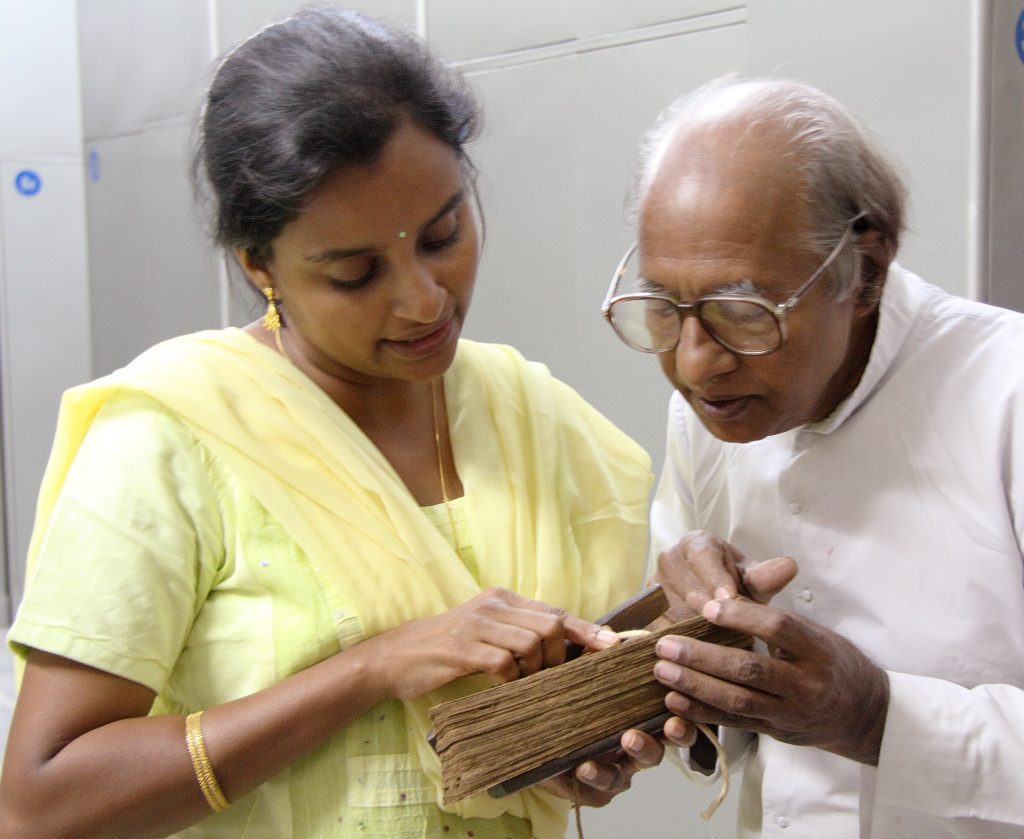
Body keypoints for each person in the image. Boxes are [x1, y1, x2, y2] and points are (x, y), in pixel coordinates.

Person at [0, 9, 664, 838]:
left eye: (443, 234)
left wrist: (568, 742)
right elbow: (40, 801)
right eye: (355, 273)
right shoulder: (173, 437)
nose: (425, 298)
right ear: (259, 263)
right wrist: (371, 667)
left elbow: (516, 730)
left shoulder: (531, 417)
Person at [600, 76, 1024, 837]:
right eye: (664, 307)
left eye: (743, 312)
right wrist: (675, 669)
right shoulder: (708, 417)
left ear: (864, 268)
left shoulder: (1008, 398)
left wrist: (873, 716)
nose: (696, 364)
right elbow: (725, 731)